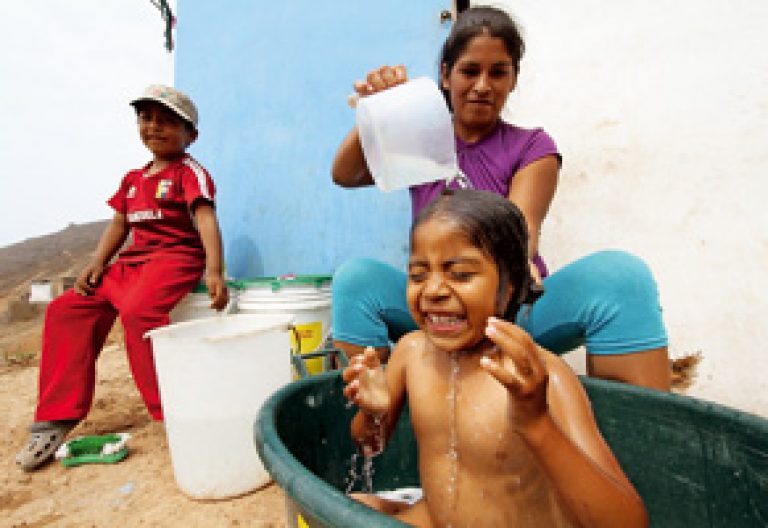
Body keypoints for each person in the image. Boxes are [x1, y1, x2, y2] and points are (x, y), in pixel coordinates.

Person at [331, 6, 670, 390]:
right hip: (438, 305)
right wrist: (379, 110)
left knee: (621, 277)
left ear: (514, 79)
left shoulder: (532, 147)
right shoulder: (421, 141)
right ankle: (376, 421)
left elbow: (521, 235)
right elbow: (346, 175)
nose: (482, 85)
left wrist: (484, 285)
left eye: (498, 72)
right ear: (445, 75)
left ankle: (643, 435)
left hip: (510, 310)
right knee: (356, 281)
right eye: (469, 71)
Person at [343, 190, 649, 527]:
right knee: (350, 507)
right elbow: (369, 446)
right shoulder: (410, 354)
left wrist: (537, 423)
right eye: (418, 275)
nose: (432, 291)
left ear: (512, 286)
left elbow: (629, 523)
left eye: (459, 274)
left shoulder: (538, 376)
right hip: (439, 515)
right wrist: (373, 413)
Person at [16, 84, 229, 471]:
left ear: (190, 135)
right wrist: (98, 262)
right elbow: (119, 223)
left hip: (174, 259)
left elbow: (205, 218)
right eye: (146, 118)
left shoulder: (189, 172)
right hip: (132, 263)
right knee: (67, 309)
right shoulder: (133, 179)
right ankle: (56, 415)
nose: (155, 127)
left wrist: (215, 270)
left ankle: (170, 411)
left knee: (138, 312)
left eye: (167, 121)